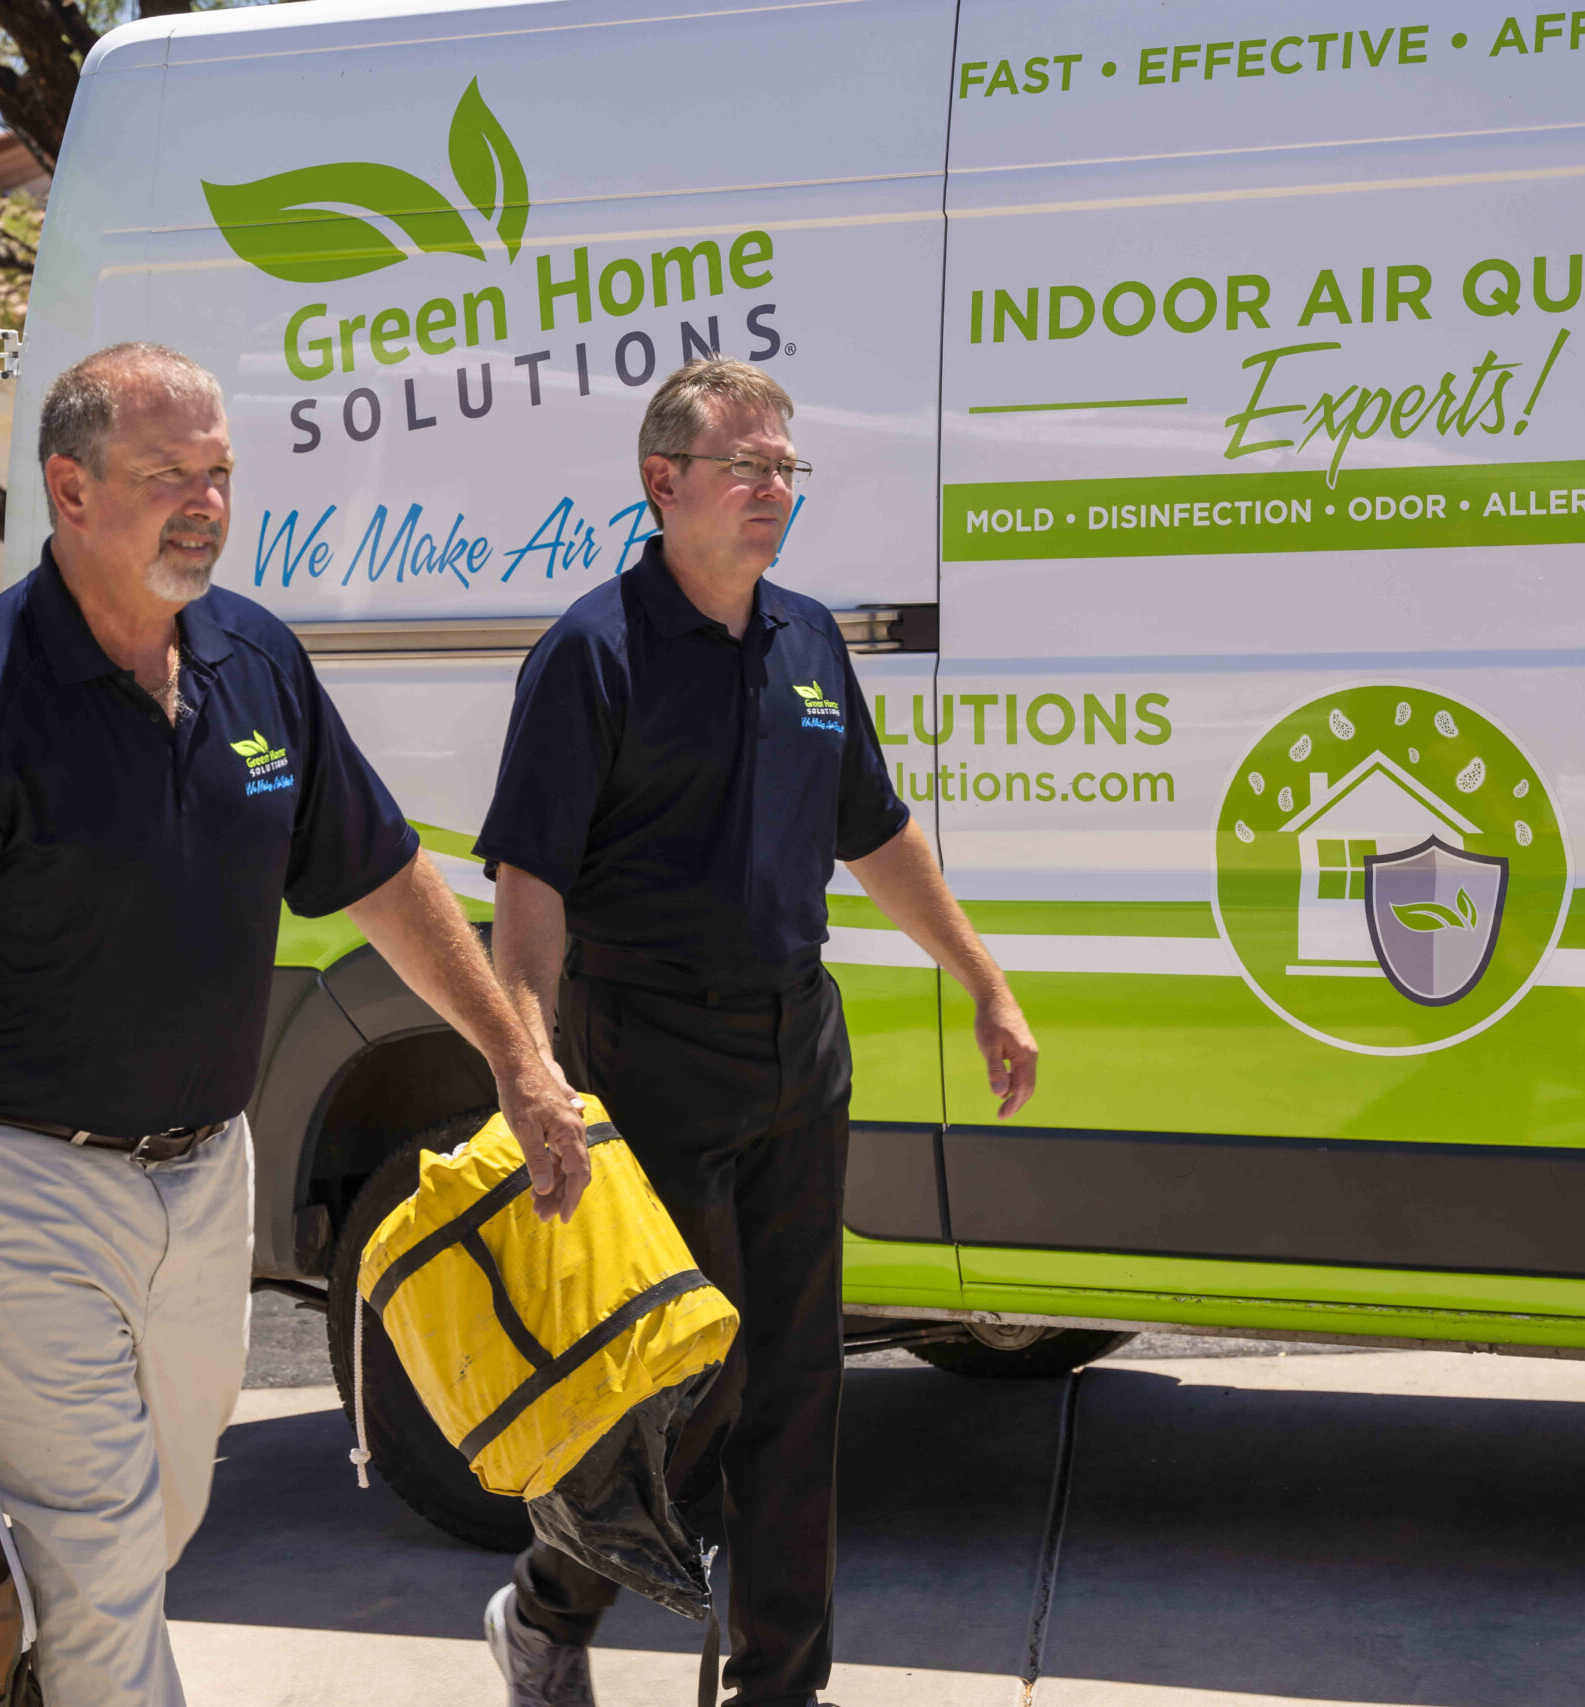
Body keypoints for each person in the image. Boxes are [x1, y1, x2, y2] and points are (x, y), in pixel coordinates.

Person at [0, 342, 593, 1707]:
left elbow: (382, 875)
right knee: (103, 1558)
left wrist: (516, 1058)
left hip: (205, 1180)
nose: (205, 502)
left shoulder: (252, 659)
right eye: (168, 474)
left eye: (219, 473)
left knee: (153, 1526)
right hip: (18, 1184)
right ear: (68, 489)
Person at [472, 358, 1040, 1707]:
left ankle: (781, 1687)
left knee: (799, 1387)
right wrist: (532, 1067)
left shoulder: (805, 640)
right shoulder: (592, 654)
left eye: (786, 467)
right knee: (685, 1387)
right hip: (645, 1049)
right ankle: (548, 1604)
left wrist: (982, 976)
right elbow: (530, 891)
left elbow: (877, 831)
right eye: (745, 465)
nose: (771, 489)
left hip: (798, 1048)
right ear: (663, 483)